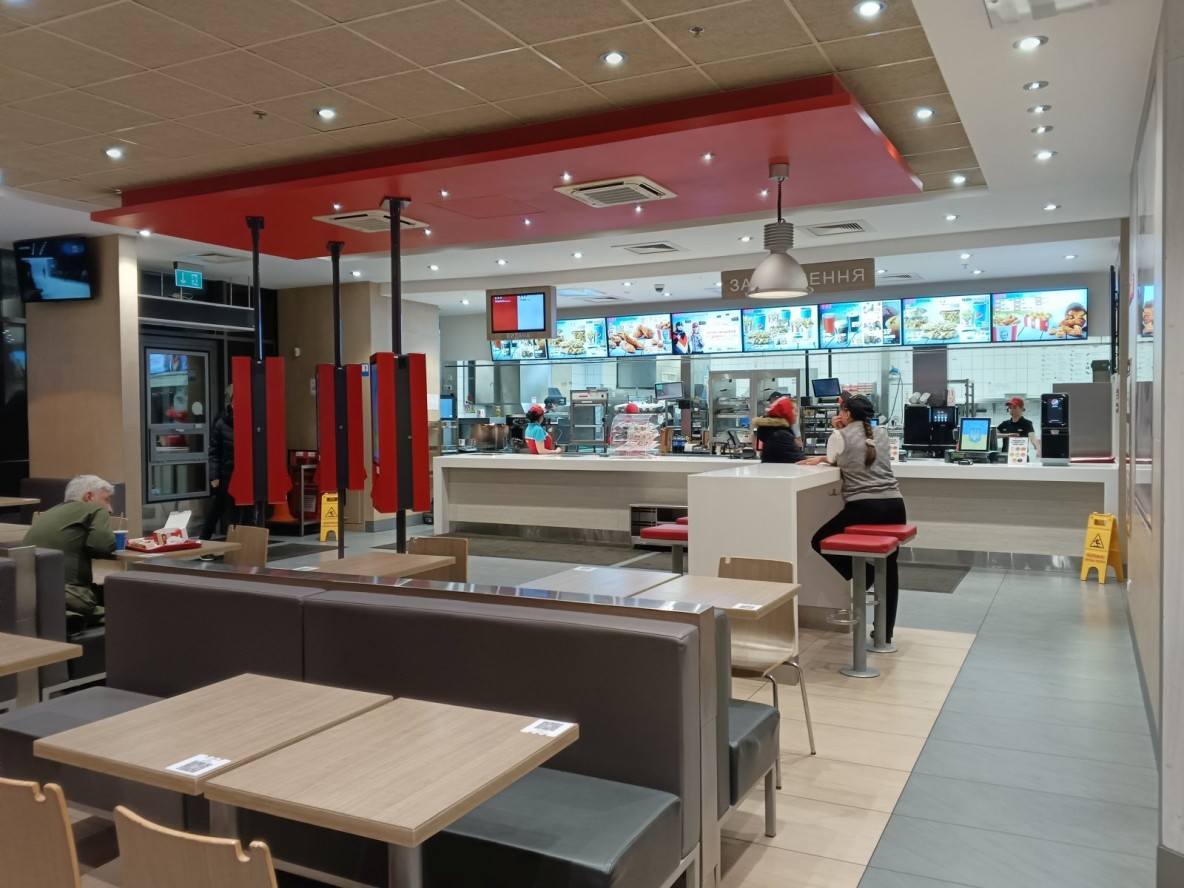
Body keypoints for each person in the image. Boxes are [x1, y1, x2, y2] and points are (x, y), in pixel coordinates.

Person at [802, 393, 907, 644]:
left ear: (847, 413)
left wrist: (837, 432)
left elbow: (834, 460)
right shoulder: (882, 433)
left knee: (819, 540)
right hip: (895, 505)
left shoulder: (839, 436)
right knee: (890, 567)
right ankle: (885, 632)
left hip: (864, 507)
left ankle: (865, 575)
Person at [22, 474, 116, 630]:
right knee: (126, 612)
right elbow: (102, 547)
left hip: (29, 592)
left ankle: (64, 616)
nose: (110, 509)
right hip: (68, 593)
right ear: (89, 497)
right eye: (106, 500)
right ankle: (71, 617)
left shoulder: (49, 512)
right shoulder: (95, 509)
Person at [199, 384, 237, 539]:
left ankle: (243, 544)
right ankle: (204, 539)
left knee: (244, 512)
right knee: (220, 508)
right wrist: (214, 476)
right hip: (226, 475)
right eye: (235, 402)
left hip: (243, 475)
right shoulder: (221, 422)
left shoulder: (251, 422)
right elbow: (214, 451)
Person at [753, 396, 806, 463]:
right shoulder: (781, 435)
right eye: (794, 411)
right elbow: (797, 459)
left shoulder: (773, 431)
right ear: (786, 411)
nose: (796, 414)